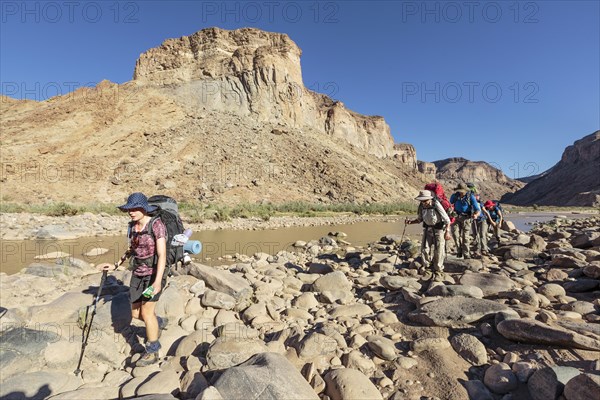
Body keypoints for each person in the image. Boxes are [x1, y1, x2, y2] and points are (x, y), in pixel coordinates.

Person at [118, 192, 169, 366]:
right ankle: (158, 322)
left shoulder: (156, 225)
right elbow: (131, 249)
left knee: (146, 312)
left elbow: (162, 255)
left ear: (144, 209)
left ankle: (153, 350)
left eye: (134, 208)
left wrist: (157, 281)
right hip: (137, 273)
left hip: (153, 275)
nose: (131, 212)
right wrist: (116, 264)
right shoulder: (132, 226)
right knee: (135, 313)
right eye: (129, 209)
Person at [406, 189, 451, 281]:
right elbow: (419, 219)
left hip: (438, 230)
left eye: (425, 201)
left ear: (430, 199)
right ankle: (428, 268)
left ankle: (438, 270)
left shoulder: (436, 204)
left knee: (439, 250)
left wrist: (447, 231)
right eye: (422, 201)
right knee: (425, 249)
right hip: (427, 229)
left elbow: (447, 220)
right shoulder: (421, 207)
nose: (423, 203)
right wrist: (410, 222)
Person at [449, 183, 481, 259]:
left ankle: (466, 254)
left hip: (466, 218)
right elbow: (450, 204)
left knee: (465, 237)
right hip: (456, 217)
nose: (461, 192)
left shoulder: (471, 197)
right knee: (455, 235)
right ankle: (459, 250)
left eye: (462, 191)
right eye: (459, 191)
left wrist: (476, 215)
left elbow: (477, 209)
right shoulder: (454, 196)